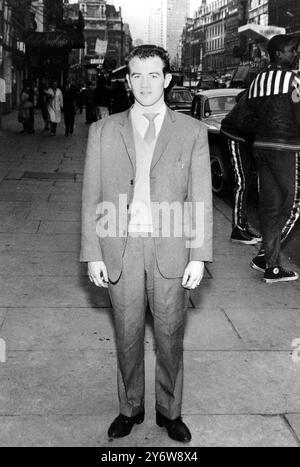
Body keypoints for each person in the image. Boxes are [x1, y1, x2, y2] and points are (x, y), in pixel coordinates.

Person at [81, 45, 213, 442]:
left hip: (170, 248)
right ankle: (130, 407)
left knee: (171, 334)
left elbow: (201, 197)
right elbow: (91, 196)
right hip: (119, 247)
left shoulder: (192, 132)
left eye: (153, 74)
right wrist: (92, 253)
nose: (144, 83)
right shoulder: (103, 130)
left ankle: (170, 411)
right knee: (127, 333)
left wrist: (199, 255)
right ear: (127, 81)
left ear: (168, 80)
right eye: (136, 75)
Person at [240, 35, 300, 283]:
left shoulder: (255, 80)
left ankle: (272, 266)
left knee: (270, 206)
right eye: (292, 50)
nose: (296, 54)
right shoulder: (292, 79)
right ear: (278, 54)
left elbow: (246, 116)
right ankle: (267, 255)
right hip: (286, 149)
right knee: (293, 205)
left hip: (261, 147)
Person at [221, 90, 262, 244]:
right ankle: (238, 229)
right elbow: (242, 123)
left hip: (241, 138)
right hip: (234, 136)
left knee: (247, 180)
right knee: (242, 182)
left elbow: (240, 96)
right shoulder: (268, 92)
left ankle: (243, 225)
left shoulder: (261, 85)